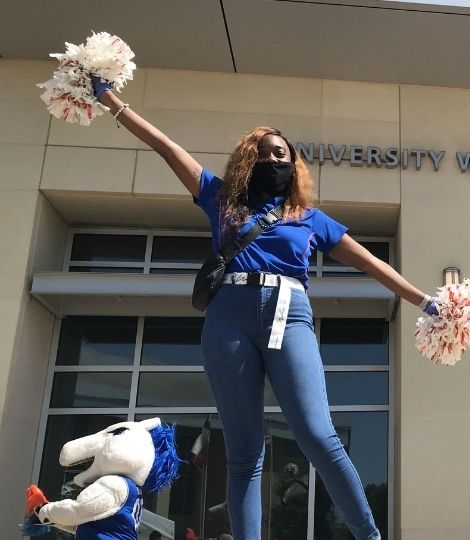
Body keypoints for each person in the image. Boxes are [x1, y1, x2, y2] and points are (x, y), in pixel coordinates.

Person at [93, 78, 438, 540]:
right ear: (247, 160)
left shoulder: (309, 217)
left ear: (293, 165)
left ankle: (370, 535)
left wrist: (425, 300)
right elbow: (164, 145)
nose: (274, 159)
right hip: (228, 319)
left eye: (282, 154)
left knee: (319, 436)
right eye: (266, 152)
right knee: (243, 453)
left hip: (289, 314)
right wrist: (110, 100)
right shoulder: (220, 198)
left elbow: (373, 262)